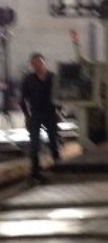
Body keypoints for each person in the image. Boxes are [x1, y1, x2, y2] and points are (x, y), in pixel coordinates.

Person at [20, 53, 60, 181]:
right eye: (35, 63)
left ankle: (59, 167)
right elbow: (22, 99)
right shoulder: (28, 80)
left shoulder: (53, 78)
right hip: (36, 114)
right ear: (32, 65)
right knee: (35, 143)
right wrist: (27, 116)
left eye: (40, 62)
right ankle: (35, 171)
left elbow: (60, 95)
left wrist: (59, 111)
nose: (38, 65)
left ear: (44, 63)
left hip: (51, 113)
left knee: (54, 141)